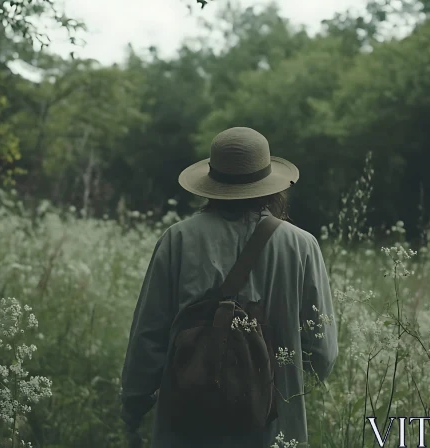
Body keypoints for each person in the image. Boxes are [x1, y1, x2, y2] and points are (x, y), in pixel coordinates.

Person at [119, 127, 338, 447]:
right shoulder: (302, 246)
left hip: (185, 426)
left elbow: (147, 338)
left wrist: (133, 408)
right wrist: (278, 383)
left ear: (212, 183)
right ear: (271, 186)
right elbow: (322, 352)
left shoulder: (177, 240)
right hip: (273, 428)